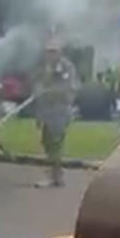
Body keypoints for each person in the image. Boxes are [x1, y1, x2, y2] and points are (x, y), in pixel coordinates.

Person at [34, 43, 79, 189]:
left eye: (53, 51)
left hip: (60, 112)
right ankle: (57, 174)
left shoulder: (67, 68)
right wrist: (39, 114)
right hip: (46, 111)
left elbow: (70, 89)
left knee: (56, 143)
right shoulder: (44, 68)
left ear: (60, 52)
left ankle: (52, 175)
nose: (50, 55)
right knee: (46, 142)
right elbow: (38, 88)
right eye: (47, 51)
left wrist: (50, 91)